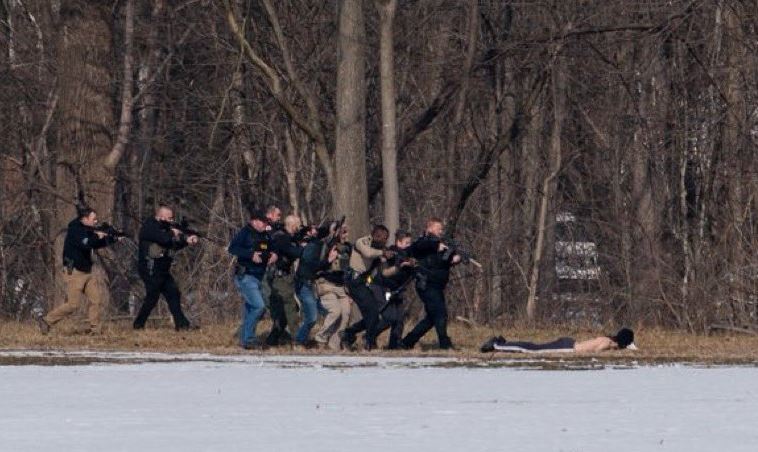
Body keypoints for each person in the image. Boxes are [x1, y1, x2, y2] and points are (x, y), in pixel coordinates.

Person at [36, 206, 121, 334]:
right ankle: (46, 320)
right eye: (94, 219)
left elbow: (95, 244)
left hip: (87, 271)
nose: (96, 221)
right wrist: (98, 236)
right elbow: (86, 244)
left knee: (96, 300)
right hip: (74, 271)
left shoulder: (88, 230)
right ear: (85, 219)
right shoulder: (75, 230)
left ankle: (95, 329)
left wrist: (112, 239)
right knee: (73, 304)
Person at [133, 205, 199, 331]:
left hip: (162, 269)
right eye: (169, 218)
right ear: (160, 216)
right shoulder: (149, 227)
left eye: (172, 218)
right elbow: (164, 239)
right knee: (152, 297)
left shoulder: (165, 228)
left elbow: (172, 245)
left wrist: (187, 241)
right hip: (150, 268)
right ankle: (138, 324)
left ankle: (182, 325)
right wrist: (173, 232)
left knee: (173, 294)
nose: (171, 221)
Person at [401, 218, 461, 350]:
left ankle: (407, 342)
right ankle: (445, 344)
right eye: (438, 228)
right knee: (440, 313)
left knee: (431, 318)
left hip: (437, 285)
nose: (441, 231)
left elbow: (440, 262)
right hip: (427, 284)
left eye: (441, 229)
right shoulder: (424, 241)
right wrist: (436, 246)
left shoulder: (440, 244)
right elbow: (416, 248)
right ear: (430, 228)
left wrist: (453, 259)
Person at [228, 209, 278, 350]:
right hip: (246, 276)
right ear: (254, 221)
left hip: (259, 277)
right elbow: (232, 248)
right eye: (263, 222)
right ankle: (249, 339)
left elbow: (273, 247)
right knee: (258, 306)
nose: (264, 225)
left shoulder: (266, 235)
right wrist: (250, 255)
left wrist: (274, 254)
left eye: (266, 222)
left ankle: (245, 340)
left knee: (252, 309)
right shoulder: (245, 233)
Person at [342, 225, 391, 350]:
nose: (384, 241)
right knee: (372, 312)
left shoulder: (380, 249)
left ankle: (350, 333)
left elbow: (385, 272)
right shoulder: (362, 242)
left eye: (386, 238)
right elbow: (368, 253)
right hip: (353, 281)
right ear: (375, 235)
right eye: (382, 238)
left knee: (374, 313)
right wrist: (383, 252)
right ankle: (368, 341)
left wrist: (398, 265)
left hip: (363, 282)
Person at [294, 222, 337, 348]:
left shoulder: (316, 243)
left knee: (325, 312)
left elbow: (324, 232)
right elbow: (310, 266)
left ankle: (326, 339)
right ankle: (299, 340)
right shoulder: (311, 245)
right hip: (304, 283)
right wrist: (327, 261)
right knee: (312, 316)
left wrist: (332, 228)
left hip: (311, 284)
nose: (316, 231)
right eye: (312, 230)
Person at [373, 230, 416, 349]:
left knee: (400, 318)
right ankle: (370, 335)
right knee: (389, 318)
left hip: (399, 289)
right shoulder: (392, 253)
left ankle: (394, 345)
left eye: (410, 243)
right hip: (385, 288)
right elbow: (386, 273)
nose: (409, 245)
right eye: (407, 243)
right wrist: (400, 266)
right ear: (399, 242)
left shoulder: (408, 255)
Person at [265, 214, 303, 346]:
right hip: (279, 277)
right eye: (298, 225)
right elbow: (292, 252)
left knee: (286, 310)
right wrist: (303, 249)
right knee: (290, 306)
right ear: (292, 225)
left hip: (286, 276)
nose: (299, 228)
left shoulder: (290, 238)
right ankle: (297, 339)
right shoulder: (281, 238)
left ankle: (272, 340)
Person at [313, 224, 353, 350]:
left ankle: (334, 344)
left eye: (346, 232)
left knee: (346, 313)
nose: (345, 235)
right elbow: (315, 267)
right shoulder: (324, 245)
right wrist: (328, 260)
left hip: (341, 286)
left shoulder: (348, 247)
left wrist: (350, 291)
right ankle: (321, 338)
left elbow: (349, 270)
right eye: (342, 232)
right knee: (335, 311)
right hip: (326, 284)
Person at [480, 328, 638, 353]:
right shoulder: (608, 343)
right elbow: (596, 353)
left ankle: (504, 343)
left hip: (568, 343)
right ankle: (496, 345)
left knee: (533, 347)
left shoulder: (607, 338)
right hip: (568, 347)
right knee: (532, 350)